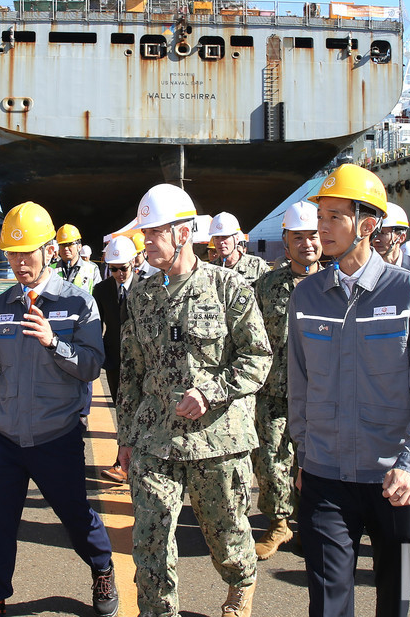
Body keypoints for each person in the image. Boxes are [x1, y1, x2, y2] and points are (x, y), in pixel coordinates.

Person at [288, 164, 410, 617]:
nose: (322, 228)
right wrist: (304, 456)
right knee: (327, 602)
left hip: (393, 478)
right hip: (324, 477)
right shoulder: (306, 297)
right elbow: (299, 385)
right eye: (320, 215)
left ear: (368, 223)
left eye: (335, 217)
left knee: (393, 597)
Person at [0, 202, 118, 617]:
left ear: (49, 250)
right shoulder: (1, 306)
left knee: (76, 515)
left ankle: (101, 566)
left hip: (55, 434)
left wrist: (53, 342)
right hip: (5, 435)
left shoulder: (79, 303)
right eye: (12, 254)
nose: (20, 263)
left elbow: (92, 366)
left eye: (28, 254)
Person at [117, 184, 272, 617]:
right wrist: (126, 437)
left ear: (183, 234)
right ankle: (156, 611)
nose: (144, 241)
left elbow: (258, 357)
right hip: (155, 438)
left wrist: (211, 391)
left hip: (216, 440)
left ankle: (241, 582)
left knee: (226, 537)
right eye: (144, 233)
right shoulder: (140, 295)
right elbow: (131, 374)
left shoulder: (229, 287)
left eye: (154, 233)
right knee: (150, 537)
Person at [252, 201, 321, 560]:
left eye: (312, 235)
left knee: (318, 460)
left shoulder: (335, 283)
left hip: (323, 392)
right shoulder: (265, 286)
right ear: (286, 240)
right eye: (298, 237)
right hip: (275, 391)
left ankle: (311, 522)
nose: (307, 243)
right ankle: (279, 523)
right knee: (271, 460)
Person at [94, 235, 138, 484]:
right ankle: (122, 462)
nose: (119, 274)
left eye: (123, 268)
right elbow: (95, 325)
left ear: (134, 263)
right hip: (114, 361)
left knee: (142, 412)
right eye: (114, 269)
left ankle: (137, 461)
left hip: (143, 364)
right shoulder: (101, 290)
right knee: (122, 411)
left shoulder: (147, 286)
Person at [209, 211, 270, 284]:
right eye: (216, 237)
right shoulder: (210, 269)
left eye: (225, 237)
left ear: (237, 239)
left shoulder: (258, 266)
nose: (220, 242)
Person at [55, 223, 102, 293]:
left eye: (70, 244)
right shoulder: (50, 270)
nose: (66, 248)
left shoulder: (92, 270)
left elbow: (99, 296)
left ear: (79, 246)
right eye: (62, 245)